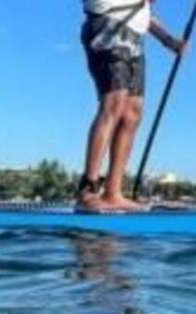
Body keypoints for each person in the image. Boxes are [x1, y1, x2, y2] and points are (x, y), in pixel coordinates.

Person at [78, 0, 187, 213]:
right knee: (114, 102)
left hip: (134, 37)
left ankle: (113, 192)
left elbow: (143, 12)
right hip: (106, 28)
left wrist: (169, 41)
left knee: (132, 112)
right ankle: (87, 191)